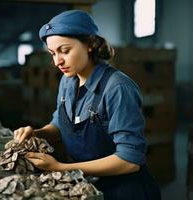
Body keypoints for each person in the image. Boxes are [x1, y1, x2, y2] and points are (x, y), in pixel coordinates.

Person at [14, 10, 161, 200]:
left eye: (65, 51)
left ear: (90, 44)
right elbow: (61, 125)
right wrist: (36, 133)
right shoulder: (68, 81)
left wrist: (60, 168)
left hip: (126, 191)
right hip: (89, 187)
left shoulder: (117, 88)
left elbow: (129, 161)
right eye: (52, 53)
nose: (57, 61)